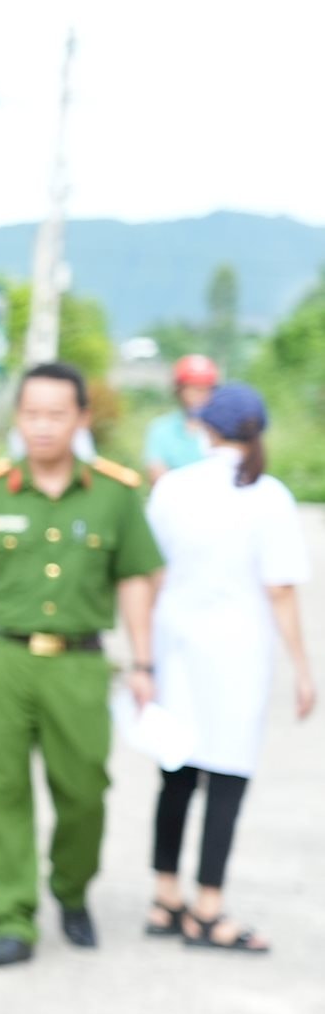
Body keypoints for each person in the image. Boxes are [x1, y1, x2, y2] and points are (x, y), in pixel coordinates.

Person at [0, 362, 163, 968]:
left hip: (79, 664)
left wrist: (143, 663)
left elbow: (136, 579)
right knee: (2, 791)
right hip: (3, 660)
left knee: (85, 791)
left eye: (56, 415)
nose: (42, 426)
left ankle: (72, 889)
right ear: (17, 417)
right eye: (31, 414)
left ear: (82, 418)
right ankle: (12, 917)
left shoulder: (115, 493)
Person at [143, 382, 314, 953]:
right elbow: (280, 590)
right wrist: (303, 667)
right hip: (237, 656)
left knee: (176, 773)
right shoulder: (268, 496)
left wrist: (143, 653)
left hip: (175, 650)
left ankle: (165, 897)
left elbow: (148, 574)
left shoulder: (173, 489)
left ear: (204, 427)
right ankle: (208, 908)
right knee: (227, 778)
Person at [142, 353, 219, 482]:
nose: (201, 395)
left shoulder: (222, 430)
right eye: (195, 388)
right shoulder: (161, 429)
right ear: (179, 390)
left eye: (206, 389)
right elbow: (158, 479)